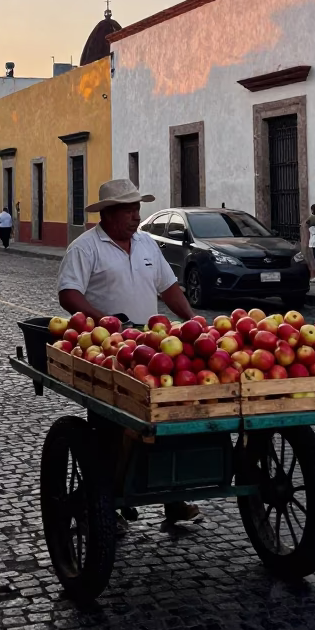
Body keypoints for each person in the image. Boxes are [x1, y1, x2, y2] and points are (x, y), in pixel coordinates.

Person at [57, 178, 198, 524]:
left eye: (137, 208)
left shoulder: (148, 243)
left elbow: (169, 288)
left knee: (167, 419)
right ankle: (110, 500)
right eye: (129, 209)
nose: (136, 216)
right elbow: (68, 293)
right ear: (107, 213)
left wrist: (194, 321)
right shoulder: (85, 247)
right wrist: (101, 320)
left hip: (152, 345)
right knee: (112, 430)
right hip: (109, 351)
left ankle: (173, 496)